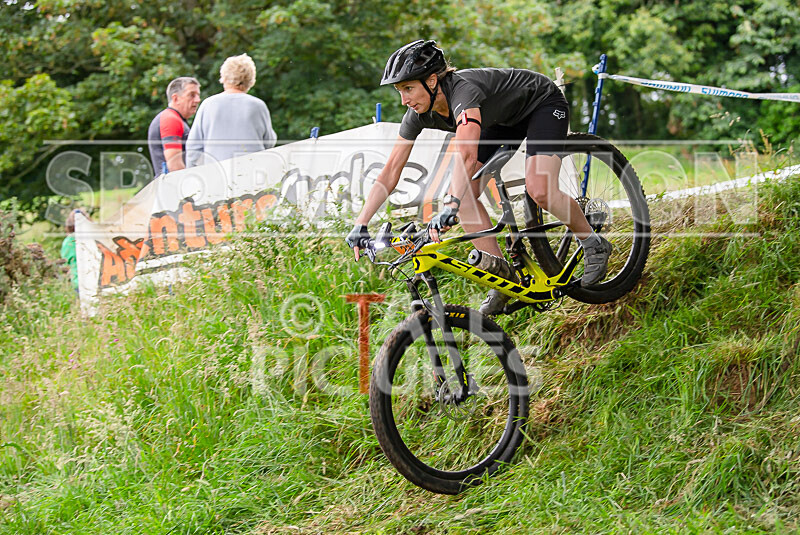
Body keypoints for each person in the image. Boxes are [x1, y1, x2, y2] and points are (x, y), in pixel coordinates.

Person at [345, 40, 612, 315]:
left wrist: (450, 206)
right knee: (465, 195)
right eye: (399, 91)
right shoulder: (417, 114)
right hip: (501, 121)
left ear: (433, 80)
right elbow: (391, 171)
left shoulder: (463, 92)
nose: (404, 100)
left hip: (541, 103)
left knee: (539, 188)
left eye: (409, 88)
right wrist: (361, 222)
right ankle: (503, 277)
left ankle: (593, 243)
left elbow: (467, 157)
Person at [186, 53, 277, 167]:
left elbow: (193, 148)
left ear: (223, 77)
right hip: (252, 172)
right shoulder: (258, 106)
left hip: (217, 174)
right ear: (251, 80)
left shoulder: (208, 105)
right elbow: (269, 141)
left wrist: (203, 169)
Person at [148, 77, 202, 176]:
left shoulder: (175, 118)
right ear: (176, 98)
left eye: (198, 95)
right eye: (192, 95)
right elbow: (174, 165)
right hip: (172, 187)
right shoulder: (170, 119)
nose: (198, 100)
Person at [60, 208, 89, 296]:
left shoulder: (68, 241)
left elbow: (65, 263)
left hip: (76, 282)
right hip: (93, 280)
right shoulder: (92, 238)